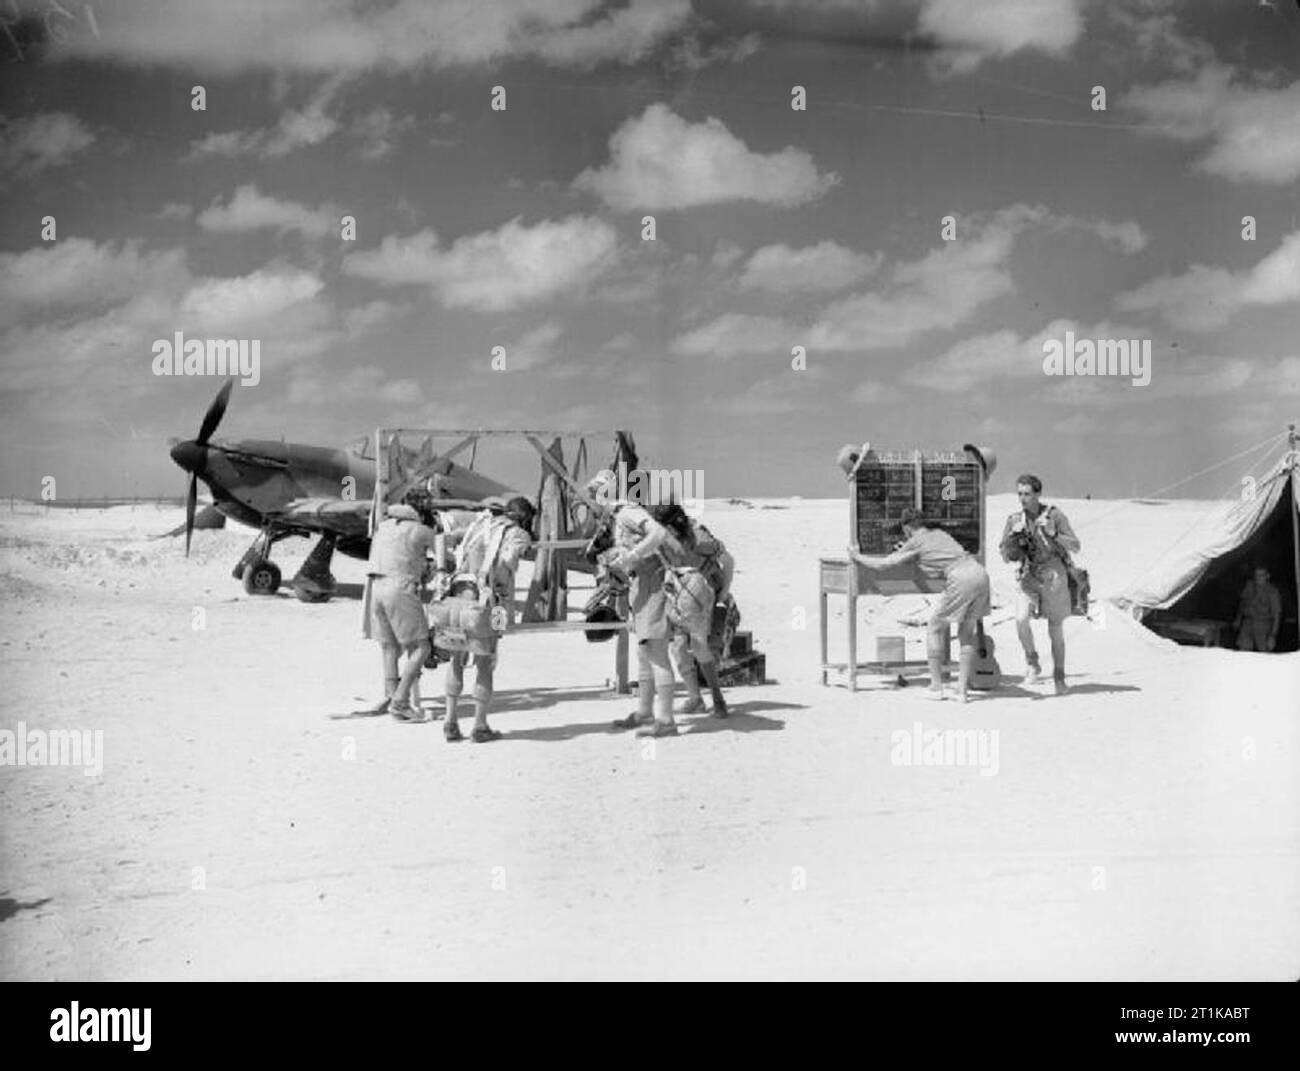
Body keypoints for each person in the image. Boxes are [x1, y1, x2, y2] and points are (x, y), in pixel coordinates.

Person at [849, 508, 991, 702]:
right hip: (979, 573)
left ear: (907, 527)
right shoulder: (940, 533)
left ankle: (935, 686)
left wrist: (856, 556)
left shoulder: (915, 541)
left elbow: (883, 565)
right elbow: (936, 555)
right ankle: (962, 690)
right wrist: (908, 551)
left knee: (934, 628)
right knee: (966, 634)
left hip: (959, 577)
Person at [438, 495, 535, 742]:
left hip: (457, 597)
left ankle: (450, 721)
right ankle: (480, 725)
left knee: (457, 659)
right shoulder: (518, 533)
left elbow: (444, 538)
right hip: (492, 604)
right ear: (523, 517)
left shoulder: (478, 524)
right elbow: (506, 564)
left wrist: (442, 571)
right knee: (487, 660)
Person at [602, 495, 683, 738]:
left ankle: (666, 720)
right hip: (643, 587)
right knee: (644, 653)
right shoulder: (625, 514)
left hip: (651, 587)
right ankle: (645, 712)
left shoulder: (628, 513)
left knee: (656, 654)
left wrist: (632, 556)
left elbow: (656, 534)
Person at [999, 474, 1081, 695]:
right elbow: (1005, 555)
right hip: (1028, 573)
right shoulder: (1014, 519)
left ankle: (1059, 677)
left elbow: (1075, 545)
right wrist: (1012, 540)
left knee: (1055, 628)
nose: (1022, 499)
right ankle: (1032, 661)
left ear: (1037, 494)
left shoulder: (1054, 515)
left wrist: (1054, 534)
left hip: (1054, 574)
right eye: (1020, 494)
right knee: (1020, 619)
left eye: (1027, 494)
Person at [366, 489, 442, 721]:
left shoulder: (385, 525)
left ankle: (390, 696)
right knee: (421, 648)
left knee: (389, 647)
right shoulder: (420, 530)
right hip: (399, 588)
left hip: (375, 587)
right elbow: (445, 557)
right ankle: (400, 702)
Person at [653, 502, 731, 717]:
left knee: (699, 647)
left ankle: (718, 700)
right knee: (677, 648)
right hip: (679, 599)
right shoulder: (665, 541)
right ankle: (695, 699)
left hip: (704, 598)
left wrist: (724, 592)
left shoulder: (700, 538)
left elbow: (728, 561)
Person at [1233, 565, 1282, 652]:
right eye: (1256, 575)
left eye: (1261, 575)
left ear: (1268, 576)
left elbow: (1277, 616)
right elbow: (1242, 603)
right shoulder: (1249, 586)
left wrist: (1272, 636)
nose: (1258, 578)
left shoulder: (1272, 592)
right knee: (1243, 654)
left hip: (1263, 625)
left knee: (1264, 655)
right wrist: (1238, 619)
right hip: (1247, 623)